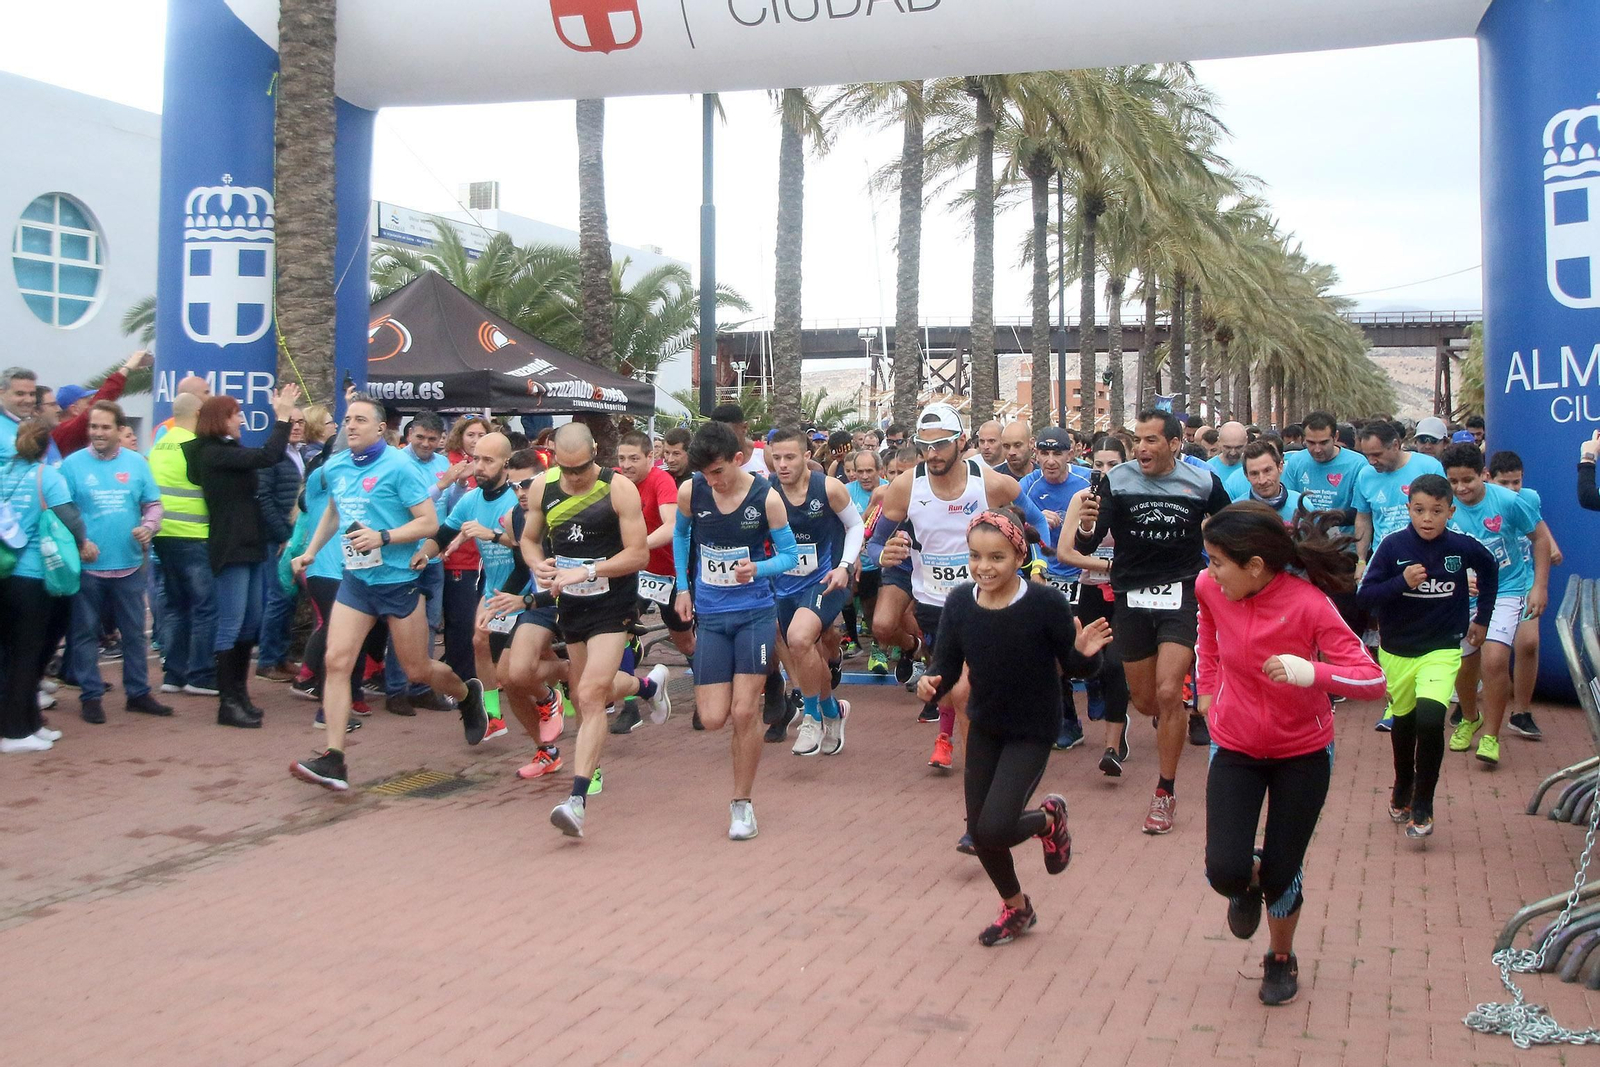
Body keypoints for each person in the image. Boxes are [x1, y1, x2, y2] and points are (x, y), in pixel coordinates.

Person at [1197, 503, 1386, 1006]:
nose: (1210, 570)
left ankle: (1280, 958)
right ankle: (1246, 877)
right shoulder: (1209, 588)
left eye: (1217, 560)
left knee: (1284, 874)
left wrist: (1313, 673)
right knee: (1224, 871)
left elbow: (1373, 680)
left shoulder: (1309, 604)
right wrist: (1209, 688)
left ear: (1254, 565)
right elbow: (1208, 635)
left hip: (1302, 752)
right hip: (1235, 745)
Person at [917, 506, 1111, 947]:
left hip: (1033, 727)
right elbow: (945, 664)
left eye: (997, 557)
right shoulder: (961, 602)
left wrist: (1086, 652)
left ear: (1019, 555)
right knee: (981, 833)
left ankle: (1048, 819)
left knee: (996, 827)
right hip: (985, 722)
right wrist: (931, 682)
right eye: (975, 556)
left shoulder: (1044, 603)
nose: (984, 567)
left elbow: (1076, 667)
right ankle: (1016, 908)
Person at [291, 397, 487, 790]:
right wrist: (311, 551)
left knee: (418, 670)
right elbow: (334, 510)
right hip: (357, 582)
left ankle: (467, 695)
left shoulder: (399, 467)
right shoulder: (338, 465)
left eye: (360, 420)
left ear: (381, 428)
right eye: (347, 420)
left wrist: (383, 536)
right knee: (337, 659)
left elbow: (429, 523)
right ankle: (334, 758)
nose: (351, 426)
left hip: (398, 582)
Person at [1073, 410, 1231, 835]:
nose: (1141, 447)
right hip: (1131, 597)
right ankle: (1168, 717)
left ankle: (1165, 792)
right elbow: (1090, 537)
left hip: (1181, 594)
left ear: (1174, 444)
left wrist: (1224, 567)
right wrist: (1087, 527)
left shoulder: (1202, 482)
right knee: (1145, 702)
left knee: (1167, 692)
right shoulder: (1118, 480)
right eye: (1138, 440)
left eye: (1151, 440)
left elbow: (1229, 526)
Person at [873, 404, 1020, 777]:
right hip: (933, 600)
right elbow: (873, 543)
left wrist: (1047, 539)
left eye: (941, 444)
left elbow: (1027, 510)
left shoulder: (984, 480)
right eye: (925, 445)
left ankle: (977, 771)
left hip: (980, 597)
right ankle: (956, 738)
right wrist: (882, 554)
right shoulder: (906, 486)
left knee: (964, 687)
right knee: (952, 681)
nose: (933, 453)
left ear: (961, 442)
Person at [672, 421, 801, 840]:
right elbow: (680, 535)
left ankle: (742, 804)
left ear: (738, 460)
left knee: (745, 711)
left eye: (718, 472)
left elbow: (790, 556)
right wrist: (682, 586)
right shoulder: (692, 492)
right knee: (711, 718)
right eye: (706, 474)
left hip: (754, 614)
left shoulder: (767, 500)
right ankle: (771, 682)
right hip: (710, 615)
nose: (713, 481)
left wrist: (757, 568)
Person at [530, 424, 650, 838]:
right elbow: (529, 539)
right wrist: (538, 564)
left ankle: (576, 800)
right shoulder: (542, 488)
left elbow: (639, 553)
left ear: (596, 453)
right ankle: (647, 687)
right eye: (565, 468)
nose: (574, 476)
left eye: (580, 467)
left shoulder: (617, 488)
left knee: (588, 693)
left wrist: (589, 569)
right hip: (572, 605)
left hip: (612, 602)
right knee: (587, 692)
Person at [184, 388, 301, 727]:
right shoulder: (210, 454)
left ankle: (240, 693)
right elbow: (267, 456)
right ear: (221, 419)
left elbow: (261, 459)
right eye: (236, 414)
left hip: (249, 543)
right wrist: (281, 417)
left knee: (251, 621)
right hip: (231, 546)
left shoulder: (227, 450)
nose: (242, 419)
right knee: (231, 624)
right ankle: (227, 701)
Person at [1439, 443, 1550, 768]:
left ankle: (1491, 735)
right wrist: (1458, 577)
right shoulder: (1443, 505)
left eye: (1468, 480)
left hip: (1507, 588)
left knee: (1496, 659)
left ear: (1484, 475)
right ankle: (1470, 717)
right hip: (1463, 595)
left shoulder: (1510, 502)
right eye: (1454, 481)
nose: (1461, 488)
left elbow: (1540, 539)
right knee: (1463, 661)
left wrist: (1539, 587)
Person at [59, 401, 170, 724]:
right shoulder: (72, 466)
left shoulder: (137, 464)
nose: (98, 433)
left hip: (130, 565)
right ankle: (90, 696)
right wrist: (79, 542)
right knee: (84, 633)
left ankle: (138, 693)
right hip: (88, 567)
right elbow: (59, 512)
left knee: (134, 634)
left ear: (120, 430)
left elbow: (153, 505)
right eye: (93, 427)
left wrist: (149, 527)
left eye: (105, 427)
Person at [767, 428, 864, 757]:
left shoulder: (828, 488)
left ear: (806, 457)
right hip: (786, 585)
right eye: (776, 457)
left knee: (797, 637)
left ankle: (811, 718)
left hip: (826, 580)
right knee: (807, 653)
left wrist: (846, 565)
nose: (782, 464)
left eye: (790, 457)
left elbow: (855, 526)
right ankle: (833, 712)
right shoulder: (767, 492)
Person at [0, 420, 90, 752]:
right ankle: (14, 732)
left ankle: (30, 723)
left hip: (6, 574)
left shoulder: (4, 474)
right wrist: (84, 542)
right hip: (34, 578)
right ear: (45, 446)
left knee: (11, 655)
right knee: (29, 656)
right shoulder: (47, 477)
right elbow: (70, 517)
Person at [1058, 436, 1135, 776]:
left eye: (1113, 464)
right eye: (1099, 464)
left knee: (1117, 665)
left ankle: (1111, 747)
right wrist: (1105, 566)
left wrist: (1122, 570)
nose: (1105, 471)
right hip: (1090, 593)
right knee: (1082, 660)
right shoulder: (1082, 498)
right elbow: (1065, 552)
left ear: (1127, 462)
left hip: (1126, 595)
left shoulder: (1135, 498)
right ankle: (1070, 721)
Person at [1016, 426, 1092, 751]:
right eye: (1044, 453)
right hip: (1046, 577)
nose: (1050, 460)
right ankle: (1067, 721)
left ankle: (1100, 684)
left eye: (1057, 453)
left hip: (1084, 578)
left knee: (1089, 642)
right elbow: (1014, 524)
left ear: (1070, 453)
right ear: (1036, 453)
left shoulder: (1087, 482)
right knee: (1051, 651)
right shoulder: (1027, 486)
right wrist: (1033, 522)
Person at [1488, 451, 1563, 739]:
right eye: (1504, 483)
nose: (1512, 489)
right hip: (1489, 584)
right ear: (1489, 478)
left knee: (1529, 643)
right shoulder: (1485, 501)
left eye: (1516, 482)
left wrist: (1552, 546)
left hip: (1523, 580)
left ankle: (1521, 712)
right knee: (1490, 653)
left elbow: (1539, 529)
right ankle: (1476, 709)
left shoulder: (1529, 498)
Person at [147, 392, 218, 698]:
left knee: (176, 607)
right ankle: (200, 674)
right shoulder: (195, 445)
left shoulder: (160, 444)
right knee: (205, 608)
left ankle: (173, 674)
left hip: (164, 536)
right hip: (194, 534)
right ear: (199, 412)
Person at [616, 429, 695, 668]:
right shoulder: (615, 481)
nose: (626, 465)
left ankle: (704, 681)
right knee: (618, 630)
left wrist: (638, 546)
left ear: (650, 457)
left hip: (668, 573)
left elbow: (672, 525)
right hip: (633, 571)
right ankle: (629, 700)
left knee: (685, 643)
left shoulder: (662, 480)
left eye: (634, 459)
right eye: (622, 459)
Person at [253, 406, 309, 682]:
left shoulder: (300, 455)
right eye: (292, 422)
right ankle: (266, 660)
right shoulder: (273, 457)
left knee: (289, 601)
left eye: (301, 422)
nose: (296, 426)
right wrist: (282, 535)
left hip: (295, 539)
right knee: (277, 599)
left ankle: (282, 656)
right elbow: (263, 498)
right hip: (278, 540)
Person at [1353, 420, 1447, 565]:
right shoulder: (1365, 475)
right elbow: (1363, 518)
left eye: (1377, 454)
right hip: (1385, 559)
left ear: (1395, 445)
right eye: (1367, 456)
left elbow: (1445, 512)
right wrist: (1361, 560)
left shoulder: (1429, 466)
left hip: (1427, 557)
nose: (1372, 461)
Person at [49, 350, 148, 458]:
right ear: (74, 409)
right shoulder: (67, 431)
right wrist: (127, 368)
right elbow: (103, 398)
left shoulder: (64, 432)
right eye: (87, 402)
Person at [847, 449, 888, 673]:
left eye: (869, 471)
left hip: (879, 563)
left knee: (874, 611)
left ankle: (877, 649)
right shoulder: (846, 492)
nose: (863, 476)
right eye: (859, 471)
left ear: (880, 471)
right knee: (845, 598)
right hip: (853, 561)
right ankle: (851, 640)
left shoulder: (890, 489)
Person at [1230, 440, 1302, 523]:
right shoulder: (1236, 512)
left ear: (1280, 467)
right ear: (1246, 476)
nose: (1262, 480)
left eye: (1267, 471)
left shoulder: (1301, 505)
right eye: (1254, 474)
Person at [709, 403, 767, 476]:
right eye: (717, 435)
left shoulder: (764, 455)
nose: (723, 439)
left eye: (729, 434)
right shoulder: (709, 460)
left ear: (744, 427)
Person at [153, 376, 212, 442]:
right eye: (206, 392)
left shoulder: (212, 425)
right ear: (189, 396)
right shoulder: (166, 428)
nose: (211, 396)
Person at [0, 366, 40, 464]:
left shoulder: (37, 426)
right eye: (20, 394)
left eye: (32, 394)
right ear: (1, 393)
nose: (28, 400)